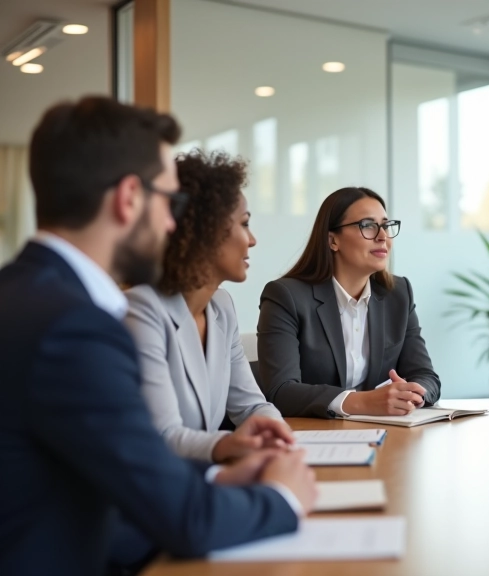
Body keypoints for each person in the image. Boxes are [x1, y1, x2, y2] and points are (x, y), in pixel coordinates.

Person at [0, 96, 316, 576]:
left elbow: (108, 467)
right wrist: (282, 498)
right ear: (129, 198)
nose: (173, 223)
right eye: (169, 201)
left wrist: (214, 473)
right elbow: (185, 520)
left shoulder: (27, 297)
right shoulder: (73, 327)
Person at [125, 150, 287, 463]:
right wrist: (233, 446)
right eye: (244, 223)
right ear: (205, 231)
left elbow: (252, 406)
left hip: (203, 483)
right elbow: (162, 435)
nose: (252, 240)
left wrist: (278, 438)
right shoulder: (141, 310)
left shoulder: (221, 307)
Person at [257, 187, 441, 418]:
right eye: (368, 225)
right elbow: (281, 391)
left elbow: (426, 376)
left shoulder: (399, 294)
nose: (382, 236)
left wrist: (412, 394)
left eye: (385, 225)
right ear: (333, 240)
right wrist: (362, 402)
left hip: (384, 432)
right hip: (311, 438)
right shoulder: (285, 296)